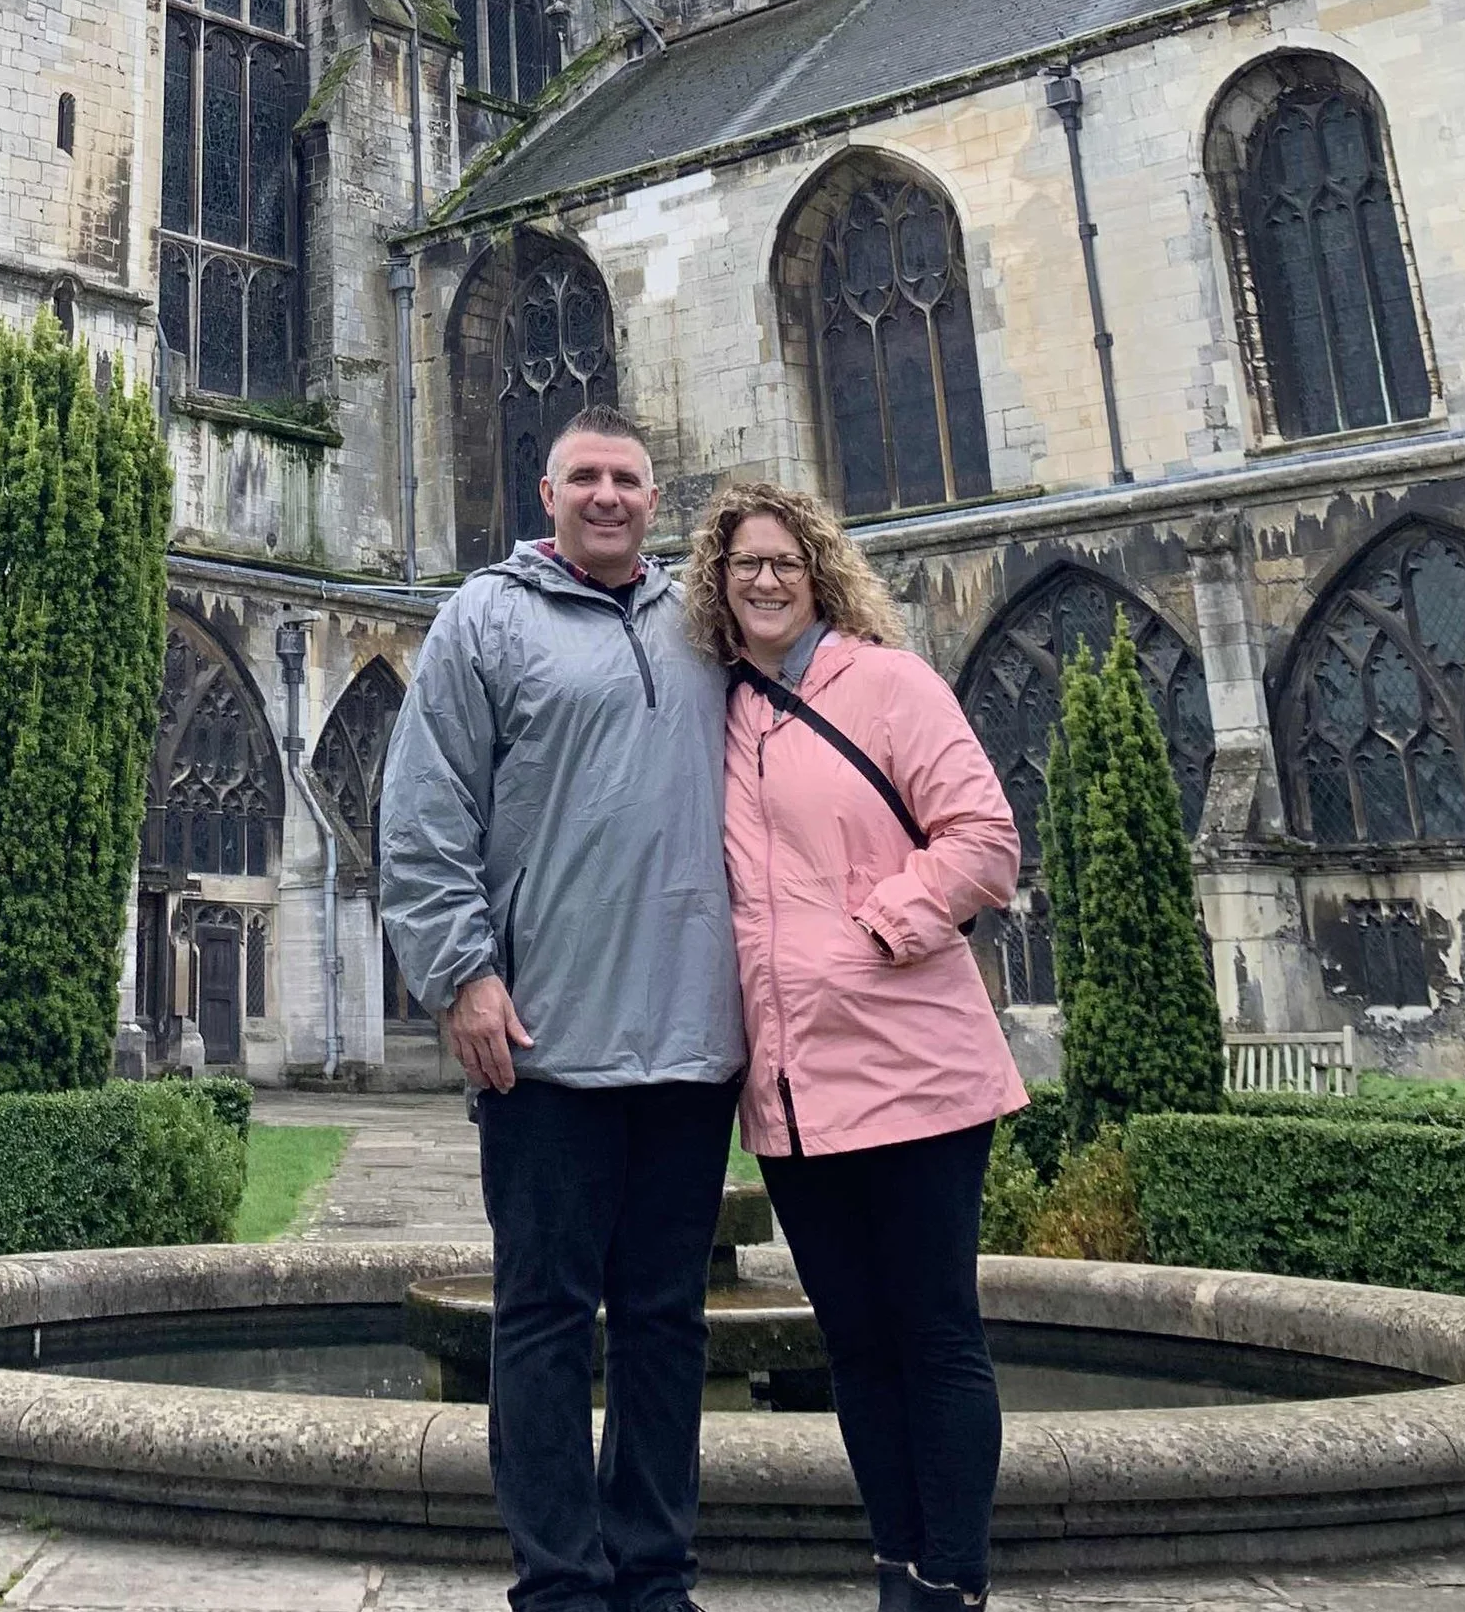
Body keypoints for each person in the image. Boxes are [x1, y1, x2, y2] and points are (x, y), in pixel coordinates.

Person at [380, 407, 744, 1612]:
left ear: (655, 496)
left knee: (665, 1322)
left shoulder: (704, 618)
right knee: (541, 1318)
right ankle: (558, 1584)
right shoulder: (484, 618)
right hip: (543, 1044)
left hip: (693, 1043)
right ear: (546, 494)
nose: (606, 495)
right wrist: (460, 977)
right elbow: (425, 816)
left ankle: (652, 1574)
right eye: (583, 476)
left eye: (628, 479)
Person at [691, 477, 1029, 1612]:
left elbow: (983, 839)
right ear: (718, 586)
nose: (767, 580)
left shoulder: (886, 683)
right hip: (791, 1092)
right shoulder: (721, 714)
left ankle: (954, 1579)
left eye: (785, 561)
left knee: (934, 1334)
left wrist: (876, 927)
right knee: (855, 1342)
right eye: (745, 566)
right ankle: (898, 1566)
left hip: (916, 1069)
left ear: (819, 572)